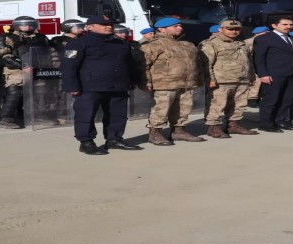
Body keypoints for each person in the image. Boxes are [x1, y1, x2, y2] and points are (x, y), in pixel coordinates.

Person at [60, 16, 141, 155]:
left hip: (118, 85)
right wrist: (72, 86)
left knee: (118, 115)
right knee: (86, 115)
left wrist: (131, 81)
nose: (109, 26)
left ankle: (114, 139)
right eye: (103, 24)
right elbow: (69, 66)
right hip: (90, 86)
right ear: (89, 27)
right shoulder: (78, 43)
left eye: (111, 24)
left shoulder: (121, 43)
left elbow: (130, 64)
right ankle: (86, 142)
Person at [141, 17, 205, 145]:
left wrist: (199, 79)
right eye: (175, 26)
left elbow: (197, 64)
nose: (180, 28)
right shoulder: (154, 45)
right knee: (161, 109)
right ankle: (155, 133)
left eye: (180, 26)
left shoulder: (187, 45)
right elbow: (143, 65)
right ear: (161, 29)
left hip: (186, 83)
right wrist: (146, 82)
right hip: (165, 83)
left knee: (183, 109)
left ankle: (179, 131)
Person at [200, 20, 258, 138]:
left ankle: (233, 125)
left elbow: (248, 61)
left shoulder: (241, 43)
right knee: (217, 104)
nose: (234, 31)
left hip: (242, 79)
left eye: (237, 29)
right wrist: (210, 79)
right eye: (230, 29)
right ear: (221, 29)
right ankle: (213, 127)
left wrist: (251, 75)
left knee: (239, 104)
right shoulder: (211, 43)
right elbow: (207, 63)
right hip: (221, 80)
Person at [253, 16, 293, 132]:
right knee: (271, 100)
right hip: (274, 74)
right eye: (285, 24)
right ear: (274, 25)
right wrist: (263, 74)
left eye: (291, 25)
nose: (289, 27)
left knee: (287, 99)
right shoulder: (264, 39)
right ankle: (266, 124)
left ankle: (280, 121)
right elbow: (259, 58)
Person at [0, 16, 50, 129]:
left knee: (40, 93)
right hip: (16, 70)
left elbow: (48, 53)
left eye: (31, 24)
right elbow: (4, 57)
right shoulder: (7, 37)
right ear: (17, 25)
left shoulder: (41, 37)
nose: (28, 26)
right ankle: (6, 119)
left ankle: (38, 116)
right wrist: (23, 66)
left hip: (37, 69)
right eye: (25, 24)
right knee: (15, 93)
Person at [243, 26, 269, 108]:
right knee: (255, 82)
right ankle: (252, 99)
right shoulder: (249, 42)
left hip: (261, 65)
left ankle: (257, 98)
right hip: (253, 66)